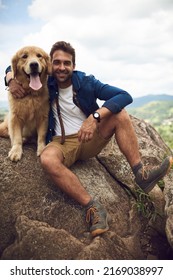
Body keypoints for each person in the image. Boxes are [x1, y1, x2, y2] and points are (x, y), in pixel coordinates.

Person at [5, 41, 173, 237]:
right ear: (50, 65)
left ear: (73, 66)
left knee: (120, 114)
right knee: (47, 159)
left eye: (66, 63)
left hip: (90, 138)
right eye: (57, 62)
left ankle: (141, 174)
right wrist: (9, 78)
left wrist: (95, 118)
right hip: (61, 142)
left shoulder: (86, 82)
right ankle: (92, 207)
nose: (61, 67)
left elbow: (124, 95)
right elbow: (18, 63)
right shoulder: (44, 81)